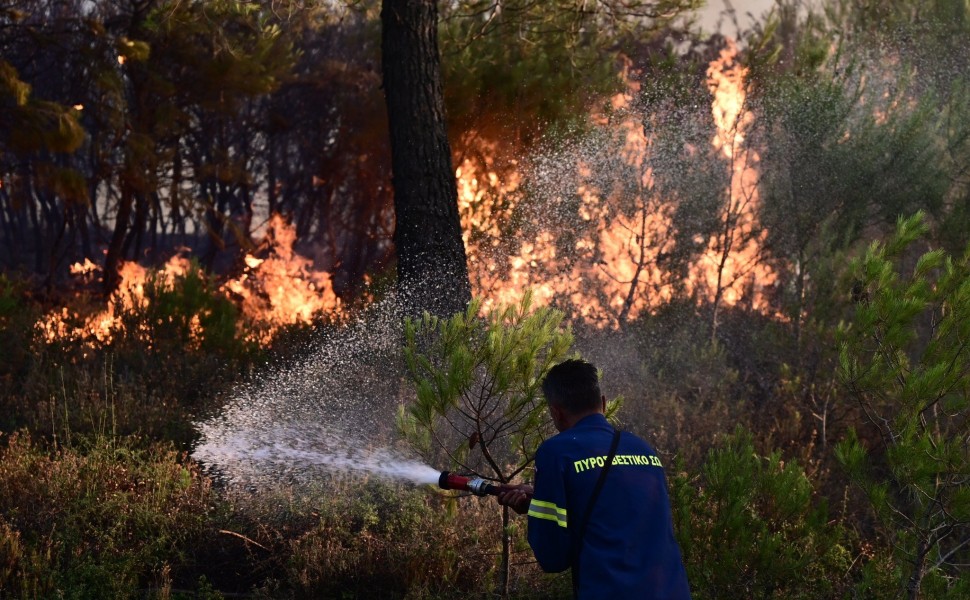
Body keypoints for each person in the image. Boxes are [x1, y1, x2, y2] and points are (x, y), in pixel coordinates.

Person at [497, 359, 691, 599]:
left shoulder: (557, 452)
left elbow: (553, 557)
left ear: (555, 411)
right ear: (603, 402)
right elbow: (617, 511)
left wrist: (539, 510)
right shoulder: (644, 450)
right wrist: (543, 498)